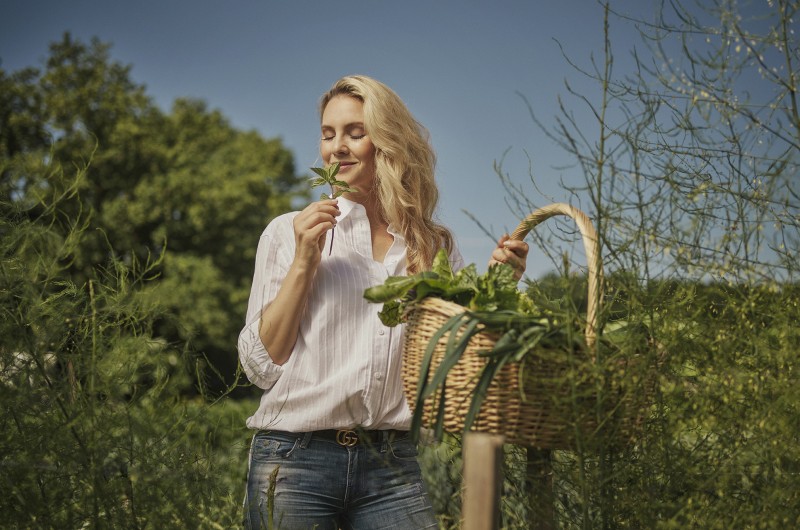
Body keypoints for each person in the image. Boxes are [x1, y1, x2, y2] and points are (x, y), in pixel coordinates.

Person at [238, 74, 529, 529]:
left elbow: (452, 364)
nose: (337, 147)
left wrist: (498, 285)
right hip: (294, 460)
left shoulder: (432, 246)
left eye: (356, 132)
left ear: (389, 143)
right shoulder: (288, 231)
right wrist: (304, 261)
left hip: (393, 466)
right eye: (328, 134)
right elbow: (260, 365)